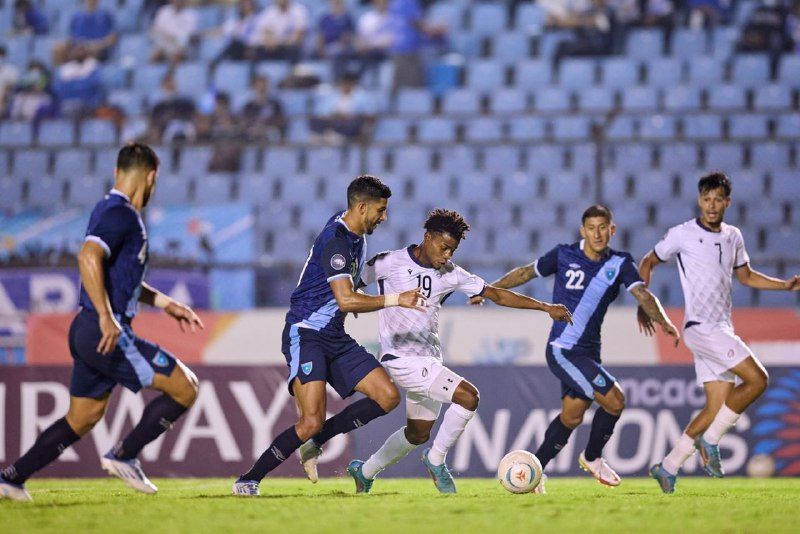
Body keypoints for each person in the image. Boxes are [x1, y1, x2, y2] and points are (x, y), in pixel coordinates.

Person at [0, 143, 203, 502]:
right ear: (152, 176)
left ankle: (12, 478)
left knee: (83, 417)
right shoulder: (122, 214)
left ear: (116, 172)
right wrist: (109, 318)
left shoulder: (109, 210)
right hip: (104, 330)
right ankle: (124, 455)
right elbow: (88, 256)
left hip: (87, 329)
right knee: (185, 387)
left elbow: (118, 278)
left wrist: (165, 302)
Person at [345, 209, 572, 494]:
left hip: (429, 359)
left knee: (417, 434)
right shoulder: (389, 262)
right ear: (427, 238)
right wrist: (348, 310)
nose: (447, 255)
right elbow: (350, 287)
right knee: (468, 396)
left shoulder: (451, 274)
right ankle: (436, 460)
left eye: (452, 250)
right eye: (443, 247)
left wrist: (545, 307)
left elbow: (496, 294)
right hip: (400, 358)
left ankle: (364, 471)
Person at [232, 175, 425, 497]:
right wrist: (396, 298)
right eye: (381, 209)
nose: (385, 217)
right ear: (362, 207)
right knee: (310, 421)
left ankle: (318, 442)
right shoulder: (335, 240)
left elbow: (346, 294)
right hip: (306, 333)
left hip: (334, 334)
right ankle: (248, 479)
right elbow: (346, 300)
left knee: (387, 397)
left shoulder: (355, 234)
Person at [470, 204, 679, 493]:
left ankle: (535, 471)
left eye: (602, 227)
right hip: (563, 350)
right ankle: (592, 457)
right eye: (591, 228)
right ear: (583, 230)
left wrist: (664, 320)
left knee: (571, 416)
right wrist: (488, 290)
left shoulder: (619, 263)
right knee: (615, 400)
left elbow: (642, 294)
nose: (597, 233)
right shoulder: (563, 254)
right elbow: (525, 273)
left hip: (589, 352)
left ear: (612, 230)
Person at [641, 172, 800, 494]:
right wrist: (641, 301)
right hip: (701, 328)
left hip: (721, 327)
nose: (711, 206)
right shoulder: (682, 234)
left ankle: (668, 466)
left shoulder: (733, 236)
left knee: (715, 408)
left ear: (727, 202)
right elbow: (648, 260)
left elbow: (746, 276)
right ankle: (711, 441)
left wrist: (784, 286)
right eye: (706, 199)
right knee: (758, 380)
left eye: (718, 200)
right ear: (700, 200)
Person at [310, 70, 376, 143]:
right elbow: (322, 112)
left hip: (351, 122)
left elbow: (370, 115)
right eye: (343, 84)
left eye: (348, 84)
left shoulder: (363, 96)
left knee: (354, 124)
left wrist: (350, 116)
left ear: (353, 84)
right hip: (333, 121)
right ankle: (328, 135)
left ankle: (338, 136)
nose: (344, 86)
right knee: (314, 121)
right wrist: (332, 115)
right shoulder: (333, 95)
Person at [316, 0, 355, 80]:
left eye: (338, 2)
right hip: (328, 46)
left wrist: (342, 44)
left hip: (343, 47)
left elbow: (349, 36)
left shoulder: (347, 18)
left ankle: (336, 80)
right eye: (334, 2)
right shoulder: (325, 18)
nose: (336, 4)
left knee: (337, 53)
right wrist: (321, 49)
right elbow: (320, 36)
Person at [242, 75, 286, 141]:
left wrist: (266, 127)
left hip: (270, 135)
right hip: (254, 135)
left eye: (264, 87)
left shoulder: (275, 104)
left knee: (273, 133)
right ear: (254, 88)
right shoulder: (249, 106)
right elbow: (245, 123)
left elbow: (280, 121)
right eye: (259, 87)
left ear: (268, 87)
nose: (262, 90)